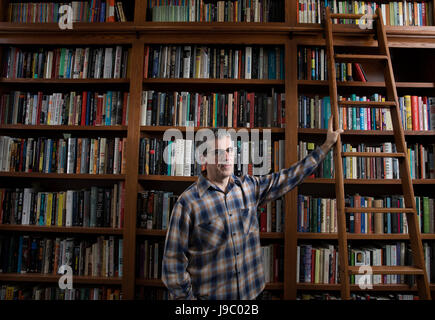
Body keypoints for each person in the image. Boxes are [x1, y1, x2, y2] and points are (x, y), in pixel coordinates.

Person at [162, 117, 343, 300]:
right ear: (203, 157)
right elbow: (172, 265)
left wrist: (326, 146)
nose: (226, 157)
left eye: (229, 150)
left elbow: (288, 178)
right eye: (218, 152)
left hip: (253, 294)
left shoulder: (248, 187)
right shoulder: (188, 203)